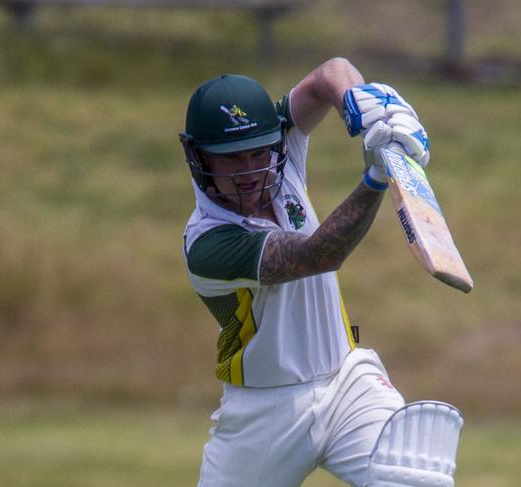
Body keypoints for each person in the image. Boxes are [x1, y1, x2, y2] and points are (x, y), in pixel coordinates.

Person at [179, 58, 461, 487]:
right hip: (264, 413)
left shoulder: (281, 152)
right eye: (232, 159)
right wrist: (377, 175)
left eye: (258, 152)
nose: (251, 170)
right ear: (198, 157)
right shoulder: (207, 243)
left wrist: (367, 110)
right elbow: (318, 255)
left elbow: (331, 72)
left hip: (349, 382)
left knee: (414, 475)